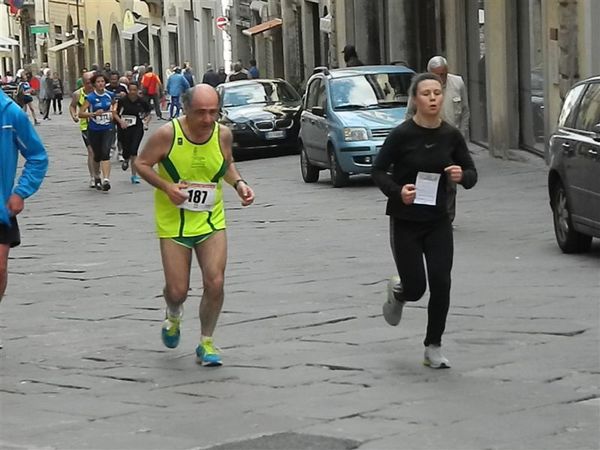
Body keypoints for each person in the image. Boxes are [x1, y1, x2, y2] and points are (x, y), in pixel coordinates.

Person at [135, 84, 255, 366]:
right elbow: (140, 164)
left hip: (211, 219)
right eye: (201, 112)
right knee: (178, 290)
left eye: (214, 112)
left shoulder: (222, 134)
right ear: (186, 109)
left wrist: (239, 184)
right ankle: (173, 313)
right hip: (174, 223)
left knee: (215, 281)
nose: (208, 119)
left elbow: (226, 164)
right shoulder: (167, 135)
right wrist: (167, 187)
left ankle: (206, 342)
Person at [371, 73, 477, 369]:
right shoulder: (402, 134)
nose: (433, 98)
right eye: (426, 94)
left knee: (442, 283)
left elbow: (471, 172)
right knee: (417, 288)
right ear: (415, 99)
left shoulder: (450, 135)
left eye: (437, 93)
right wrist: (397, 191)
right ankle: (400, 292)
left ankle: (433, 345)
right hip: (405, 219)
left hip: (438, 220)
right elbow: (378, 171)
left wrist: (461, 176)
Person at [0, 89, 48, 343]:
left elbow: (37, 156)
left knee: (0, 268)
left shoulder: (10, 114)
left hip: (0, 208)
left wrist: (20, 192)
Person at [405, 56, 470, 223]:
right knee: (427, 178)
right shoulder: (420, 87)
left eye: (443, 74)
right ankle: (427, 212)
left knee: (451, 183)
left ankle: (447, 218)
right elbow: (409, 115)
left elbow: (464, 112)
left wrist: (461, 137)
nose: (440, 79)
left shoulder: (458, 83)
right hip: (426, 140)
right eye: (436, 75)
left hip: (450, 142)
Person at [79, 73, 116, 191]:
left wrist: (112, 113)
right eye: (98, 82)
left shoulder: (110, 95)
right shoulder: (90, 97)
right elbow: (81, 113)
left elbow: (115, 105)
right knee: (96, 155)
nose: (101, 84)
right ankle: (96, 176)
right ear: (94, 84)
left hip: (107, 128)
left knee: (106, 152)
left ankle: (106, 180)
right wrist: (93, 114)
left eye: (102, 82)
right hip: (94, 129)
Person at [113, 82, 151, 184]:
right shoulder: (122, 101)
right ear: (128, 90)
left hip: (137, 127)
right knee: (126, 149)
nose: (133, 92)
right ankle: (126, 159)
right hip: (124, 128)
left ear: (138, 90)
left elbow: (148, 113)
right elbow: (115, 113)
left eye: (135, 90)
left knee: (134, 150)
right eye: (131, 90)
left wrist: (146, 122)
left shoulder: (142, 101)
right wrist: (120, 122)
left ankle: (134, 175)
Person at [70, 71, 101, 189]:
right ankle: (93, 177)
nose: (91, 85)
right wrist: (74, 115)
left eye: (92, 82)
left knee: (100, 152)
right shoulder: (78, 94)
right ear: (83, 83)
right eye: (88, 83)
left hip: (101, 125)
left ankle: (99, 174)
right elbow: (72, 106)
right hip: (86, 126)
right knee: (91, 151)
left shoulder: (99, 92)